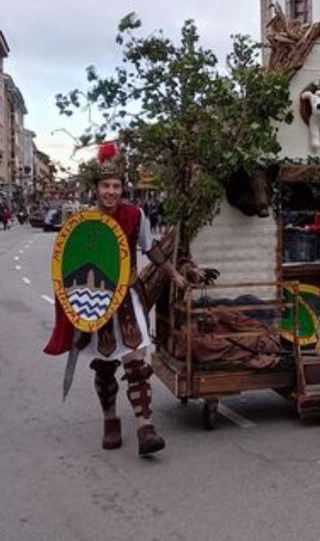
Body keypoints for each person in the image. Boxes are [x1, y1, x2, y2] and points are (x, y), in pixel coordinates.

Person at [43, 142, 195, 456]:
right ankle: (110, 421)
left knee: (136, 363)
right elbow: (71, 263)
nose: (111, 191)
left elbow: (150, 248)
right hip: (97, 300)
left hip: (128, 298)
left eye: (115, 186)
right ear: (96, 188)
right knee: (103, 366)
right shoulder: (86, 221)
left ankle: (145, 427)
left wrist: (172, 272)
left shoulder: (134, 215)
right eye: (105, 186)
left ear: (122, 188)